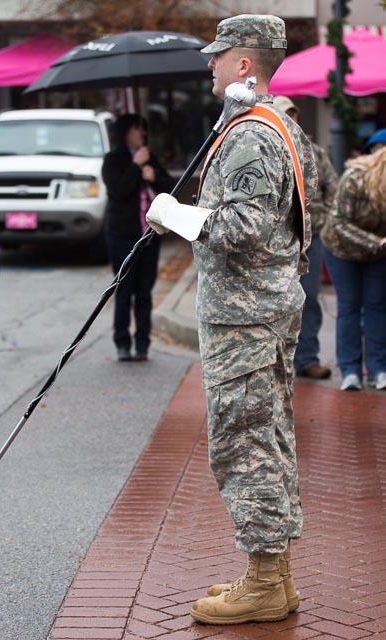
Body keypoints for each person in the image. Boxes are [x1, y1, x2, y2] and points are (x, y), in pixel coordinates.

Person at [146, 14, 317, 625]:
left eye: (219, 56)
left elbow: (244, 228)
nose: (211, 64)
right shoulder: (282, 128)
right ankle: (273, 576)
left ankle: (266, 580)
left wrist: (178, 216)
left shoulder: (252, 135)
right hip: (262, 311)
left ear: (245, 64)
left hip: (246, 318)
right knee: (266, 438)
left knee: (243, 443)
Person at [273, 95, 337, 380]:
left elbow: (334, 191)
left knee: (308, 298)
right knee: (277, 301)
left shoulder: (316, 153)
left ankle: (307, 357)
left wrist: (320, 222)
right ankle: (277, 360)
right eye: (284, 114)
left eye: (293, 114)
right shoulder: (268, 151)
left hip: (311, 238)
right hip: (277, 241)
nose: (291, 120)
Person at [102, 114, 175, 362]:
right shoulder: (113, 160)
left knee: (144, 292)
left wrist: (153, 176)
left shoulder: (149, 158)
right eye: (136, 130)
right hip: (123, 236)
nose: (140, 134)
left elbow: (169, 189)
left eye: (143, 130)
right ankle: (122, 341)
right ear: (125, 133)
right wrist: (135, 167)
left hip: (149, 237)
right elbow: (118, 190)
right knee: (124, 291)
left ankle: (142, 342)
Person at [321, 147, 386, 391]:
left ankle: (378, 369)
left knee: (376, 305)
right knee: (349, 305)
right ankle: (350, 371)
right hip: (342, 250)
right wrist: (376, 242)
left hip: (378, 254)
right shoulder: (354, 179)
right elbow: (338, 222)